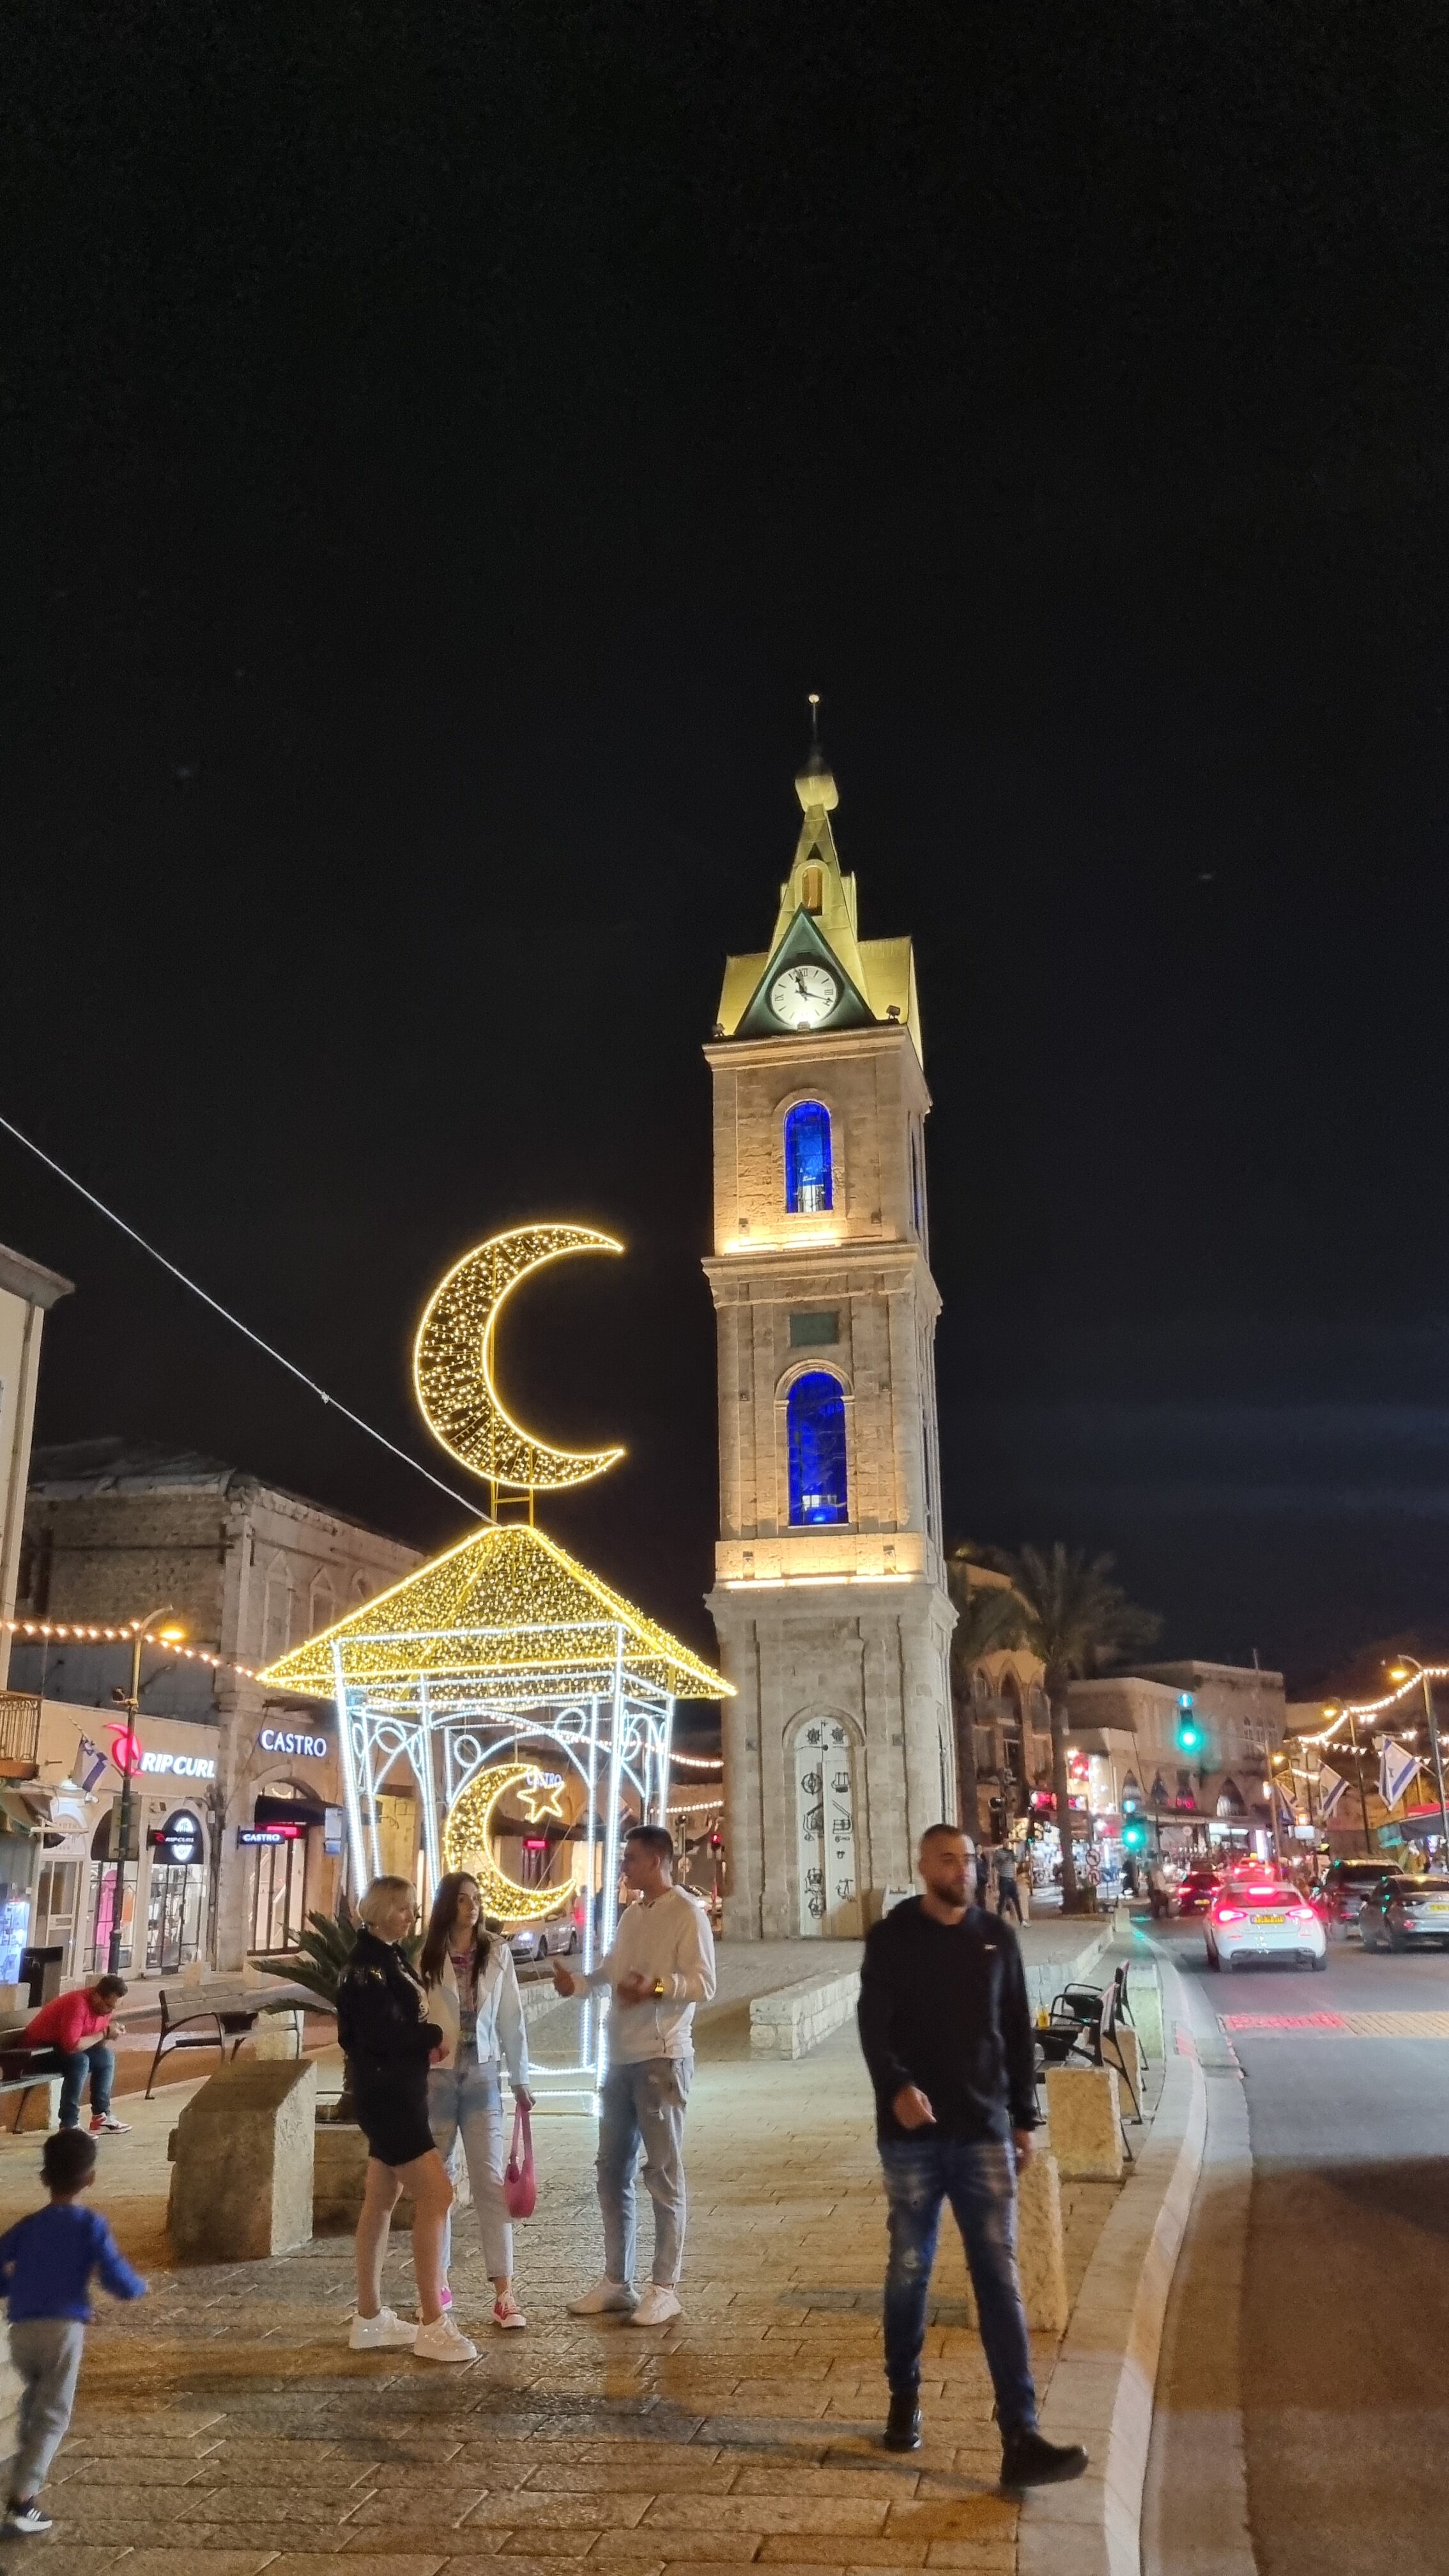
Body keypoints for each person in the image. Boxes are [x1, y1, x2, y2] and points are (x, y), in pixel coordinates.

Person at [857, 1821, 1089, 2490]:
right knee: (910, 2269)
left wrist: (1024, 2118)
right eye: (949, 1860)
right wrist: (897, 2086)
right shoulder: (893, 1939)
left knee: (999, 2279)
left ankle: (1019, 2432)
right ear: (924, 1864)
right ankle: (904, 2395)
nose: (963, 1871)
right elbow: (875, 2026)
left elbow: (1016, 2029)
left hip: (985, 2132)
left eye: (969, 1861)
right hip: (914, 2140)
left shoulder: (996, 1939)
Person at [553, 1823, 716, 2327]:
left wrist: (657, 1988)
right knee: (612, 2170)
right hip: (619, 2057)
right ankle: (615, 2281)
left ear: (657, 1862)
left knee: (662, 2172)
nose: (623, 1867)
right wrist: (578, 1984)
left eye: (630, 1859)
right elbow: (614, 1968)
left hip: (660, 2059)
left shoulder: (687, 1913)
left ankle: (665, 2285)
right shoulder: (631, 1913)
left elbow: (705, 1983)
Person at [335, 1874, 473, 2363]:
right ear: (376, 1911)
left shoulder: (386, 1959)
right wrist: (430, 2033)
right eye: (400, 1908)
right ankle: (433, 2320)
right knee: (438, 2194)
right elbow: (381, 2035)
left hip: (397, 2091)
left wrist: (422, 2044)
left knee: (382, 2198)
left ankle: (370, 2316)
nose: (410, 1915)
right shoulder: (366, 1970)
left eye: (412, 1907)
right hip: (390, 2096)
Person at [0, 2126, 146, 2536]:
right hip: (63, 2331)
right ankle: (22, 2502)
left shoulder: (29, 2225)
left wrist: (15, 2289)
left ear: (44, 2178)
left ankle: (20, 2471)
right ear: (90, 2178)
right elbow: (114, 2273)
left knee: (33, 2406)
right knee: (52, 2414)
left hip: (22, 2329)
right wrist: (135, 2288)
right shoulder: (89, 2224)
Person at [420, 1871, 533, 2331]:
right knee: (437, 2186)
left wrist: (521, 2079)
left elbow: (512, 2019)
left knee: (489, 2182)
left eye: (478, 1899)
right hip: (438, 2081)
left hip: (484, 2077)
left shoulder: (496, 1953)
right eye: (464, 1900)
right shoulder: (425, 1955)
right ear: (448, 1905)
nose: (474, 1907)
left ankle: (504, 2292)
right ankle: (438, 2284)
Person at [19, 1976, 130, 2135]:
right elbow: (71, 2046)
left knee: (106, 2057)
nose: (109, 2012)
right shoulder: (77, 2004)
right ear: (97, 1996)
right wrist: (104, 2033)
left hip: (59, 2049)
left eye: (114, 2008)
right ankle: (69, 2124)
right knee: (80, 2061)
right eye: (108, 2006)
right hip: (35, 2052)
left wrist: (109, 2035)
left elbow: (95, 2044)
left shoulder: (102, 2008)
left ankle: (101, 2117)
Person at [993, 1843, 1023, 1924]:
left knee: (1016, 1899)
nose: (1007, 1845)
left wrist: (1015, 1854)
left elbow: (1017, 1860)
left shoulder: (1011, 1852)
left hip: (1011, 1878)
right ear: (1003, 1844)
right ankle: (998, 1920)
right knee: (1002, 1900)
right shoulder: (999, 1852)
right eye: (1005, 1843)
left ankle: (1021, 1920)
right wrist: (1003, 1861)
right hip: (1004, 1878)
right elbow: (995, 1863)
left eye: (1008, 1843)